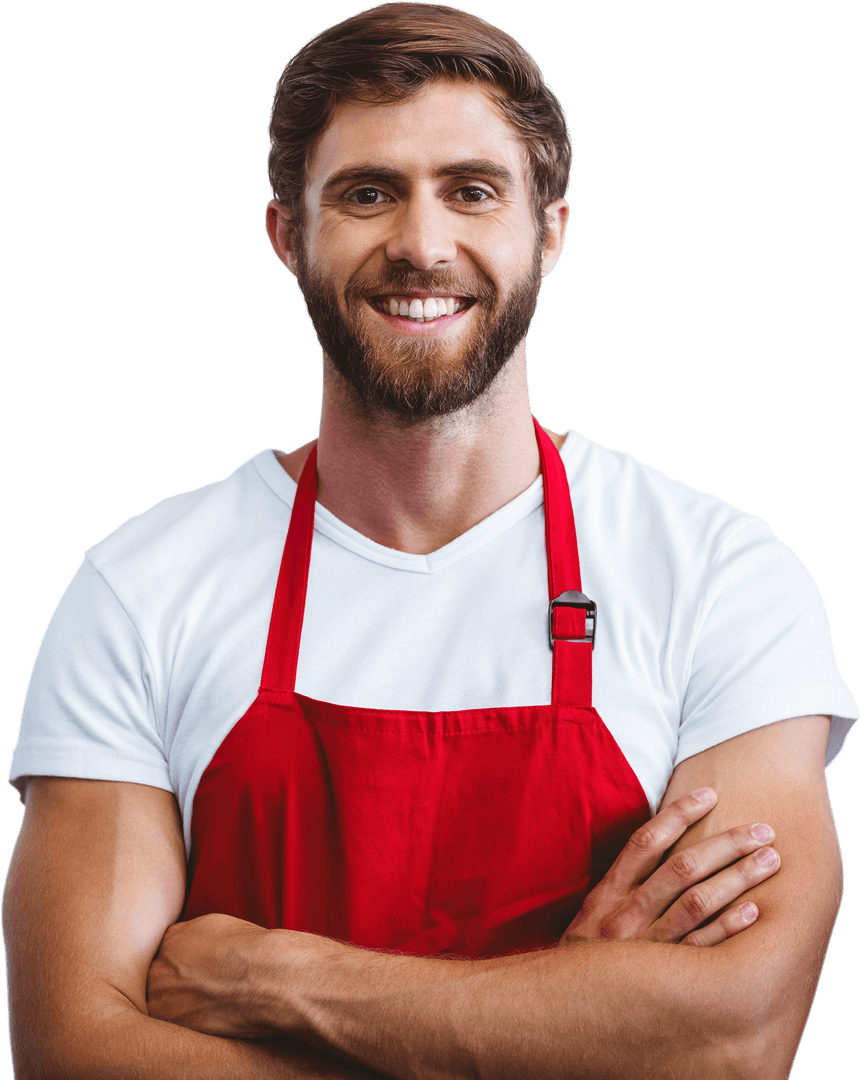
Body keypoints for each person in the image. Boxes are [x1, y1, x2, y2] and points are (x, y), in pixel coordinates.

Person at [3, 3, 857, 1077]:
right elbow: (74, 1055)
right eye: (367, 194)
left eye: (472, 190)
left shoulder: (722, 579)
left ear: (548, 231)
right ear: (287, 237)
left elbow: (731, 1042)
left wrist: (278, 978)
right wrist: (573, 1027)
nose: (420, 242)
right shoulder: (139, 589)